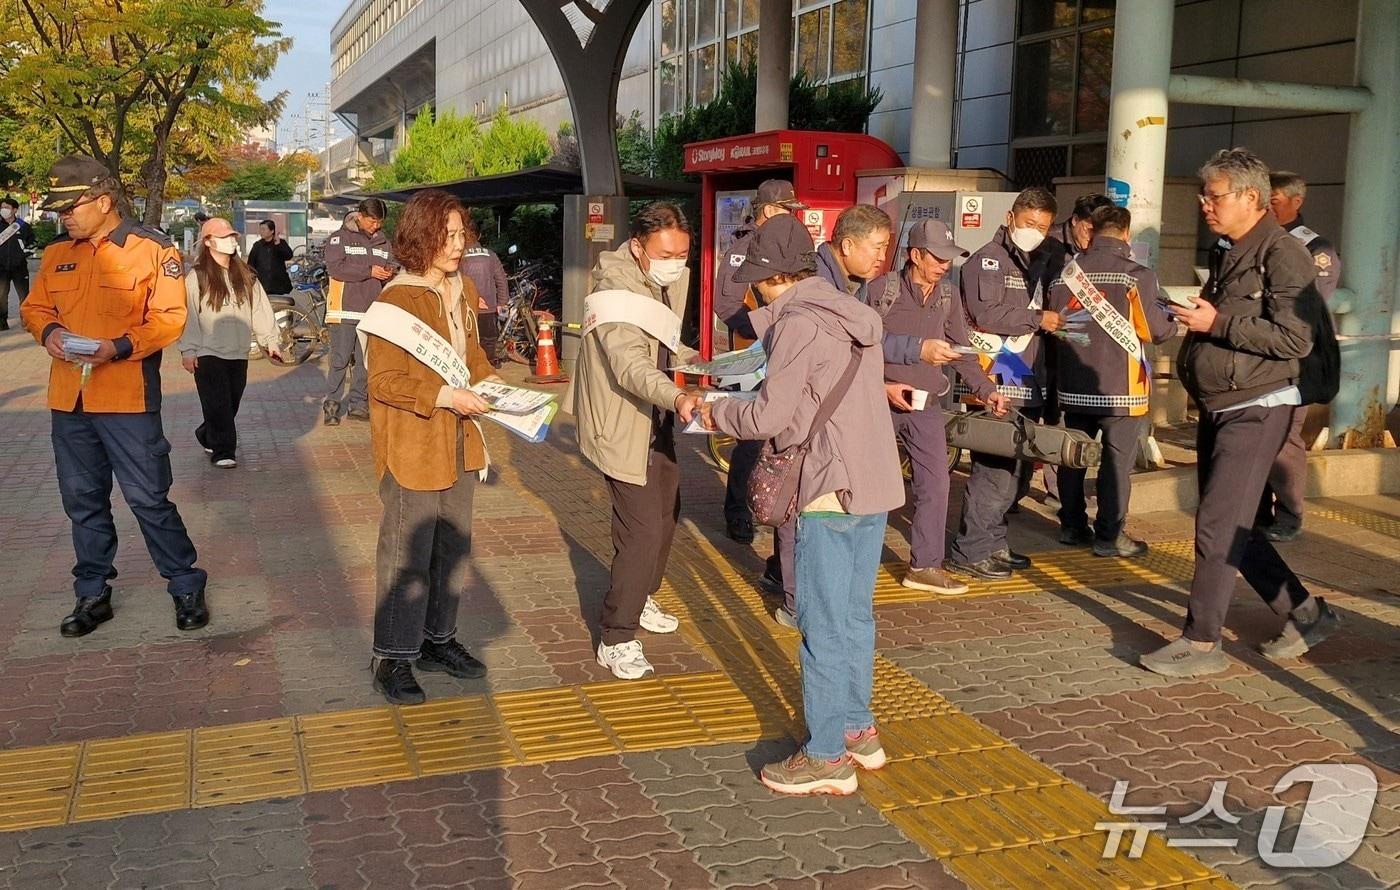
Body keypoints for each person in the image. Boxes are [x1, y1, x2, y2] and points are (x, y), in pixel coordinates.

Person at [698, 213, 904, 796]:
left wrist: (714, 409)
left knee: (822, 624)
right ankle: (859, 731)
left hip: (827, 489)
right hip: (874, 483)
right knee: (856, 616)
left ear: (765, 279)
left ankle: (824, 755)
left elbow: (769, 416)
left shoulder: (797, 326)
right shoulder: (849, 313)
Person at [1141, 148, 1337, 678]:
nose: (1206, 204)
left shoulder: (1283, 253)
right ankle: (1304, 613)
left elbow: (1295, 338)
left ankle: (1201, 643)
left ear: (1251, 198)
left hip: (1258, 406)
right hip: (1223, 405)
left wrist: (1216, 324)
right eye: (1204, 195)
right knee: (1234, 524)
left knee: (1217, 525)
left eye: (1215, 195)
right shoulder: (1232, 248)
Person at [20, 155, 208, 636]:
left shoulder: (151, 250)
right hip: (70, 401)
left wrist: (119, 346)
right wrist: (50, 333)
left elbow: (169, 317)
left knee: (148, 497)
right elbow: (35, 307)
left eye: (71, 207)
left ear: (103, 201)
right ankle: (92, 593)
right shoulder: (59, 252)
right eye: (59, 210)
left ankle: (185, 583)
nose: (64, 217)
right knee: (82, 500)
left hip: (127, 398)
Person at [362, 189, 495, 704]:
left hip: (460, 442)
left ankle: (439, 640)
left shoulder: (458, 287)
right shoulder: (397, 299)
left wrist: (493, 386)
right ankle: (392, 657)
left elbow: (472, 355)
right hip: (413, 447)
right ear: (422, 237)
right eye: (449, 235)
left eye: (463, 234)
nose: (459, 244)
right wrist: (444, 394)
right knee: (406, 555)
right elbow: (384, 382)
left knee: (452, 548)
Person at [561, 202, 700, 681]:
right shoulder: (613, 287)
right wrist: (678, 394)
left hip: (656, 415)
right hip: (622, 421)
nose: (676, 263)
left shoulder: (667, 278)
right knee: (640, 531)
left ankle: (640, 599)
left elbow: (664, 343)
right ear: (639, 248)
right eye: (666, 253)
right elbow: (630, 364)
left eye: (684, 253)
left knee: (666, 515)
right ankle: (616, 635)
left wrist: (701, 363)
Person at [869, 221, 1009, 597]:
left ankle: (925, 566)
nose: (945, 264)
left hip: (926, 405)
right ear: (915, 255)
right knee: (870, 486)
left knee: (936, 483)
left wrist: (986, 389)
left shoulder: (948, 297)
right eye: (937, 257)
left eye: (949, 257)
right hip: (878, 402)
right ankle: (858, 562)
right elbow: (859, 343)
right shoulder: (880, 291)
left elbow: (961, 352)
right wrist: (882, 384)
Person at [947, 187, 1065, 581]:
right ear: (1011, 218)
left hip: (1025, 378)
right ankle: (970, 550)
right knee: (993, 471)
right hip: (995, 378)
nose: (1035, 231)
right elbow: (987, 313)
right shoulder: (988, 261)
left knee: (1012, 474)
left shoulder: (1035, 262)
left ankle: (993, 543)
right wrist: (1039, 319)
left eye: (1043, 227)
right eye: (1029, 223)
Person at [1047, 205, 1176, 557]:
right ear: (1126, 234)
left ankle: (1072, 527)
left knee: (1072, 458)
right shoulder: (1138, 276)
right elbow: (1154, 330)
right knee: (1116, 465)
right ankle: (1109, 536)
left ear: (1092, 231)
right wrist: (1175, 322)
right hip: (1122, 389)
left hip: (1073, 386)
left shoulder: (1064, 276)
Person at [713, 179, 807, 547]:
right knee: (751, 440)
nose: (794, 217)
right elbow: (727, 307)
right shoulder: (743, 249)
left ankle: (775, 503)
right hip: (755, 357)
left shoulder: (795, 248)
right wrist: (765, 330)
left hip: (789, 353)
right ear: (768, 212)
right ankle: (738, 511)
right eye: (788, 210)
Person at [1256, 171, 1342, 542]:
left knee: (1285, 437)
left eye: (1273, 200)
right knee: (1253, 434)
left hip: (1295, 361)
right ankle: (1255, 510)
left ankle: (1289, 512)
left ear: (1296, 202)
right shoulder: (1250, 240)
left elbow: (1307, 305)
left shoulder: (1314, 249)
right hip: (1255, 357)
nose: (1267, 207)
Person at [177, 218, 283, 469]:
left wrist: (270, 341)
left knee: (231, 402)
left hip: (238, 351)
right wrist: (188, 350)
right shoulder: (197, 276)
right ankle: (223, 451)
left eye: (233, 237)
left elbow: (260, 309)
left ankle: (207, 433)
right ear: (209, 242)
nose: (232, 241)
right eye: (225, 237)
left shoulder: (245, 274)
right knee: (218, 403)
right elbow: (189, 314)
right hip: (207, 351)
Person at [323, 199, 393, 426]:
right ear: (360, 216)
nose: (376, 226)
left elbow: (391, 266)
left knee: (364, 363)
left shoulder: (383, 243)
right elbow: (335, 268)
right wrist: (369, 271)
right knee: (340, 360)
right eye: (373, 221)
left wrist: (389, 273)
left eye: (380, 222)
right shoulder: (340, 238)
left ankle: (358, 405)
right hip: (344, 310)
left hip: (371, 313)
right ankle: (332, 406)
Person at [459, 216, 509, 366]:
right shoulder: (491, 255)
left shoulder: (458, 256)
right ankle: (489, 367)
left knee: (468, 340)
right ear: (479, 235)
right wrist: (502, 302)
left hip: (466, 307)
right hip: (489, 307)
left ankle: (472, 368)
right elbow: (501, 280)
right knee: (488, 339)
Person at [0, 197, 35, 330]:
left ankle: (26, 322)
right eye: (2, 208)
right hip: (1, 268)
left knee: (24, 296)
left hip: (19, 267)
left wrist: (23, 254)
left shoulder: (24, 226)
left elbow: (33, 243)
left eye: (7, 208)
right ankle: (2, 323)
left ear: (14, 210)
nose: (3, 210)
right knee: (1, 296)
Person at [246, 219, 294, 299]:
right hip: (262, 286)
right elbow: (250, 265)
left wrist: (278, 245)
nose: (261, 232)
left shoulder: (280, 243)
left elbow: (289, 256)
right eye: (260, 229)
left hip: (279, 286)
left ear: (272, 231)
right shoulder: (257, 246)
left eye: (264, 229)